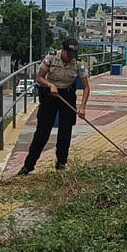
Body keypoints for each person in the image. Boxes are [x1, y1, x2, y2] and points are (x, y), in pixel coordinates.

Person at [17, 41, 90, 175]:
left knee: (65, 132)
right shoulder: (51, 58)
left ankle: (61, 164)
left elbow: (86, 87)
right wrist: (50, 85)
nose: (70, 58)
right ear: (63, 50)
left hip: (67, 95)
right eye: (69, 54)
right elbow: (39, 78)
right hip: (50, 95)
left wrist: (82, 107)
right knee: (42, 132)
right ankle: (28, 166)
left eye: (73, 55)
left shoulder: (78, 64)